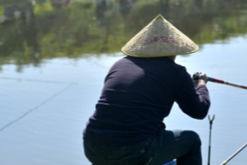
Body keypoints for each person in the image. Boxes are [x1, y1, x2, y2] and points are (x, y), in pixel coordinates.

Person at [83, 14, 211, 165]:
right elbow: (199, 111)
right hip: (134, 150)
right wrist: (201, 84)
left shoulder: (119, 65)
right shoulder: (175, 71)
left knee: (155, 136)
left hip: (92, 146)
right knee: (192, 141)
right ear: (175, 48)